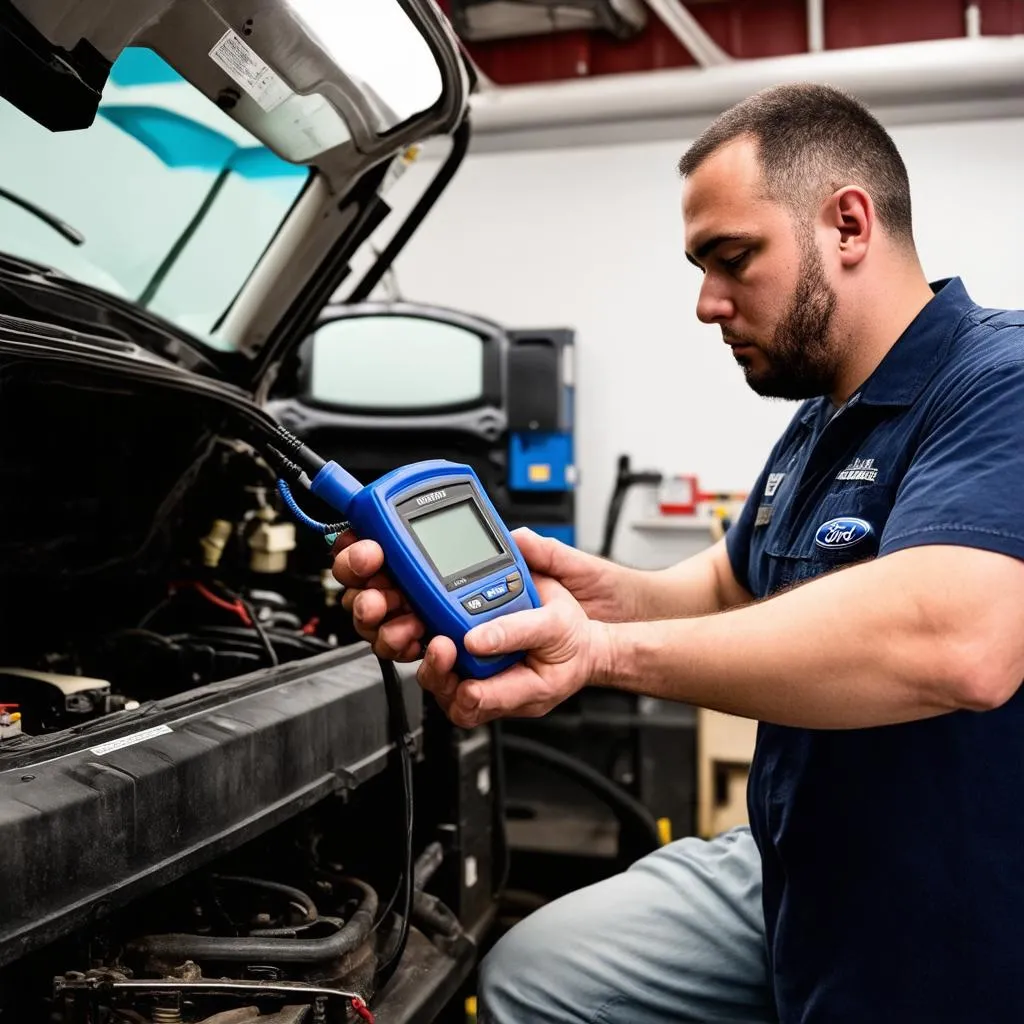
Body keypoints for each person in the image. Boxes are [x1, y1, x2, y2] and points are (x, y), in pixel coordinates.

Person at [333, 82, 1024, 1023]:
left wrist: (604, 656)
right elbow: (733, 582)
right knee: (533, 976)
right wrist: (597, 595)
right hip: (794, 858)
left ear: (849, 225)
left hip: (949, 904)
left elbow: (959, 642)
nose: (707, 303)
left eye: (733, 258)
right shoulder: (822, 417)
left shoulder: (999, 381)